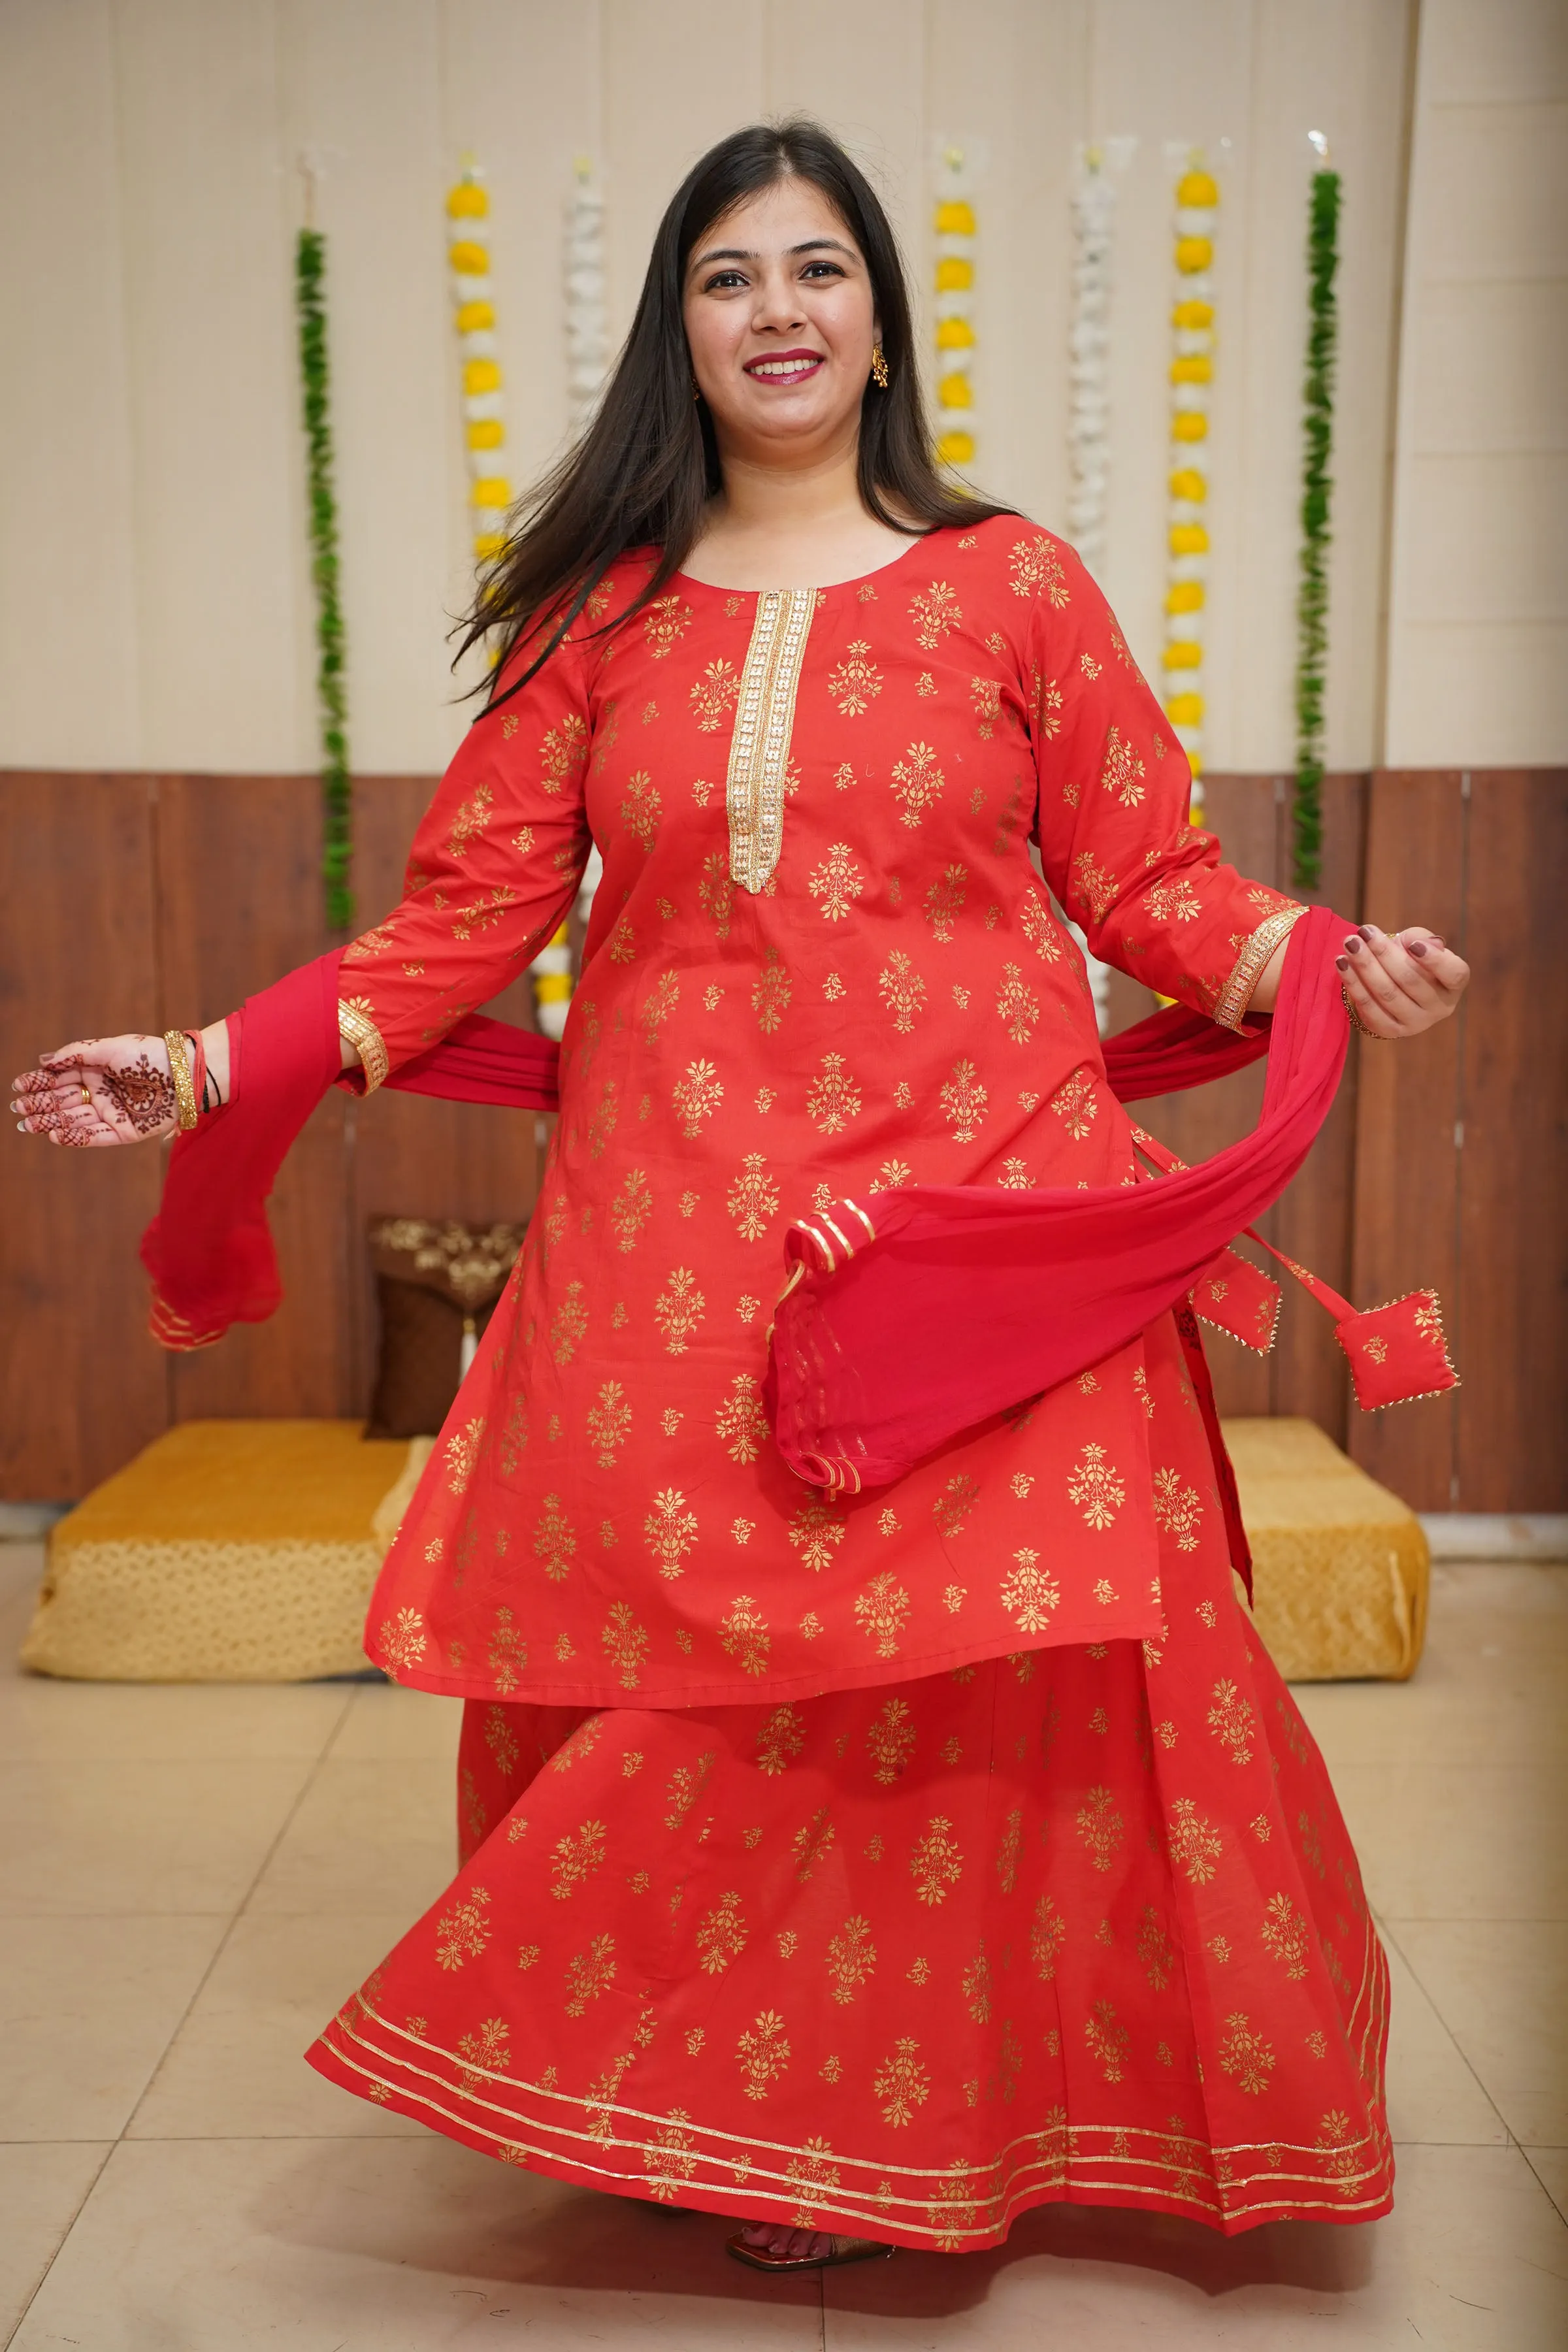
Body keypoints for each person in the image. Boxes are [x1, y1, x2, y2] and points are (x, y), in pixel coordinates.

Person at [13, 120, 1469, 2271]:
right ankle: (746, 2122)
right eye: (728, 277)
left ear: (882, 322)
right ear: (678, 334)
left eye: (816, 270)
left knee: (1003, 1678)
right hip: (679, 1252)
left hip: (986, 1232)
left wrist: (1315, 964)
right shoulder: (601, 622)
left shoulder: (1016, 585)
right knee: (722, 1703)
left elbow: (1148, 883)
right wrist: (205, 1064)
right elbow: (452, 931)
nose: (777, 309)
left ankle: (985, 2110)